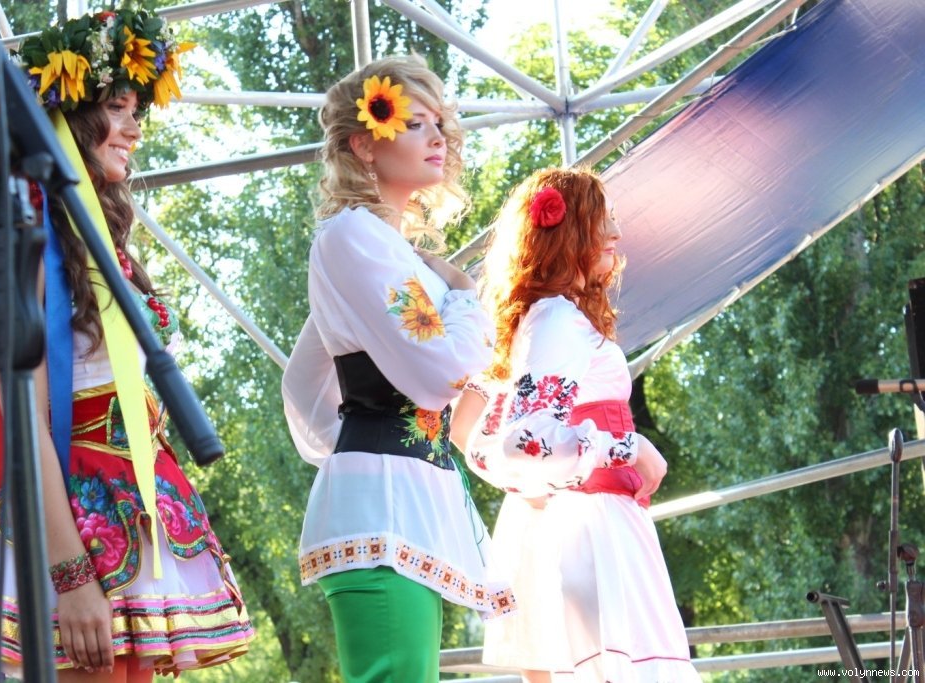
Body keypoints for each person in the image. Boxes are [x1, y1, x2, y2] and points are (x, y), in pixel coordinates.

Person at [0, 9, 255, 680]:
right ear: (66, 121)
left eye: (136, 111)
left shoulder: (107, 251)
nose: (135, 129)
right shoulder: (16, 249)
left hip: (134, 502)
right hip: (73, 520)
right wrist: (72, 575)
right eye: (117, 108)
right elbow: (25, 423)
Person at [281, 54, 515, 682]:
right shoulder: (356, 237)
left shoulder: (382, 248)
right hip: (386, 504)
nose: (437, 137)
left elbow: (303, 381)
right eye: (414, 124)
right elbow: (440, 372)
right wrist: (464, 295)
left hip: (401, 495)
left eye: (439, 123)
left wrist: (354, 446)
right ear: (364, 144)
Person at [450, 167, 700, 682]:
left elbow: (472, 438)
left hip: (570, 521)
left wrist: (530, 488)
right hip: (592, 525)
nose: (617, 233)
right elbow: (527, 442)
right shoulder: (557, 318)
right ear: (568, 232)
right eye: (602, 219)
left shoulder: (539, 320)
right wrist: (629, 447)